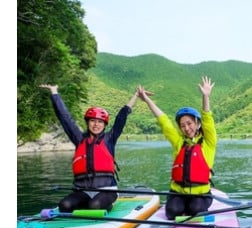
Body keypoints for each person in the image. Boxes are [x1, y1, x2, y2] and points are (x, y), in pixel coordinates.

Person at [39, 84, 139, 212]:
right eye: (92, 121)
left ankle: (108, 204)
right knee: (64, 205)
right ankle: (85, 204)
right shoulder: (79, 139)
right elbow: (65, 118)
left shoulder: (110, 138)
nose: (96, 124)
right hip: (83, 191)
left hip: (107, 190)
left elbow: (121, 117)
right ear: (87, 122)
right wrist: (54, 93)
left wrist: (135, 96)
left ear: (104, 125)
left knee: (94, 205)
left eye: (100, 122)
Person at [137, 76, 216, 219]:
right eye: (182, 125)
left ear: (198, 124)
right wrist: (147, 100)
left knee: (195, 210)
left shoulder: (208, 142)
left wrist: (205, 97)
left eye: (189, 123)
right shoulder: (179, 142)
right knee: (172, 212)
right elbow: (164, 122)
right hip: (178, 192)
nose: (186, 128)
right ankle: (179, 205)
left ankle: (196, 206)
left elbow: (208, 119)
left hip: (200, 193)